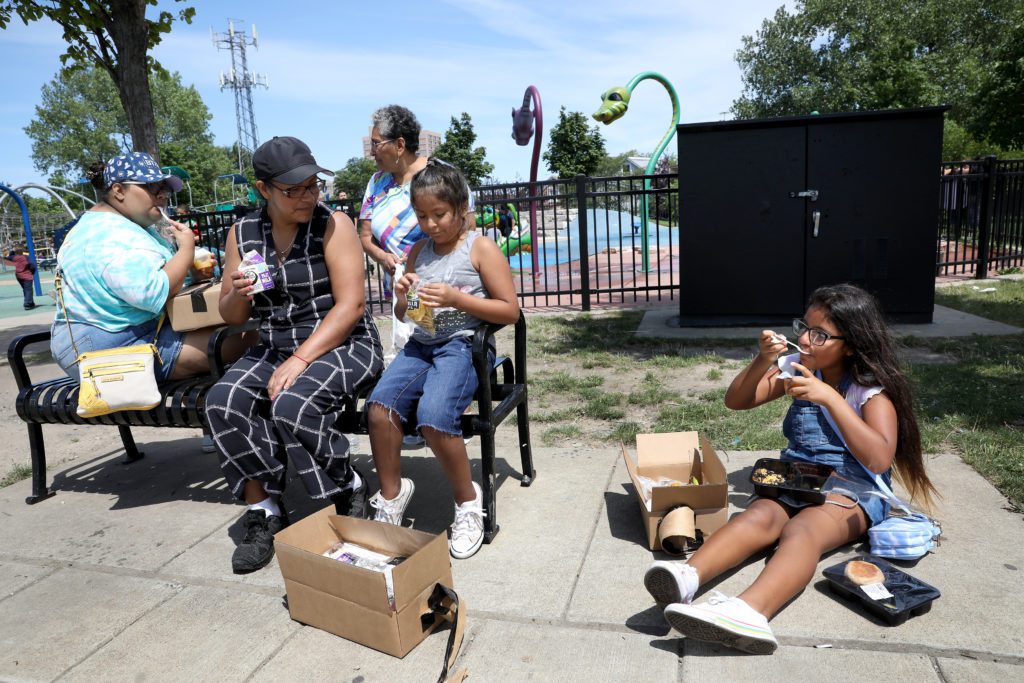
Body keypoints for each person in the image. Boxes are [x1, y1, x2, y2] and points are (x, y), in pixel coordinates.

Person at [644, 283, 938, 654]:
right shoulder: (798, 370)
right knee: (757, 517)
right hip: (797, 480)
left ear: (850, 344)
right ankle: (687, 576)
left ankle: (750, 612)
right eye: (805, 327)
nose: (805, 339)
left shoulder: (870, 392)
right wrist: (762, 359)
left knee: (802, 532)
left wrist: (830, 398)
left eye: (820, 334)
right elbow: (737, 400)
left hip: (854, 491)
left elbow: (879, 460)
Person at [204, 136, 384, 574]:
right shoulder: (242, 233)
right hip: (273, 345)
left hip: (343, 341)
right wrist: (236, 291)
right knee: (222, 402)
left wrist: (300, 359)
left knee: (293, 403)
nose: (308, 196)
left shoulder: (332, 224)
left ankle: (348, 486)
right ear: (263, 189)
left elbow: (351, 306)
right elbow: (231, 313)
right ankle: (264, 508)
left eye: (312, 185)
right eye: (294, 190)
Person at [365, 160, 519, 559]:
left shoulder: (479, 247)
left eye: (440, 214)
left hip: (464, 346)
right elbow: (405, 313)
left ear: (461, 207)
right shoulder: (418, 251)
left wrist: (458, 299)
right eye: (422, 216)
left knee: (434, 416)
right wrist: (404, 293)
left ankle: (469, 502)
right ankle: (392, 496)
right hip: (422, 344)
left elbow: (509, 311)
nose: (431, 224)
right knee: (379, 410)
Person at [50, 152, 235, 382]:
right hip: (105, 350)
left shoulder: (103, 224)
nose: (162, 196)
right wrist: (186, 249)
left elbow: (137, 283)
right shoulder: (112, 235)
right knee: (244, 336)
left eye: (164, 190)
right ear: (118, 191)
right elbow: (153, 293)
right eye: (151, 188)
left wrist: (189, 273)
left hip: (97, 341)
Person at [358, 105, 474, 295]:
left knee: (434, 324)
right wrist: (382, 257)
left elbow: (468, 229)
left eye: (376, 143)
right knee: (410, 320)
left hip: (444, 288)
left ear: (400, 145)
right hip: (402, 290)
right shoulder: (376, 183)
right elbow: (365, 236)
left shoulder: (442, 175)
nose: (372, 152)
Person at [5, 245, 37, 310]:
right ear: (22, 251)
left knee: (26, 289)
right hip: (27, 275)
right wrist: (32, 272)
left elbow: (7, 258)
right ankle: (27, 303)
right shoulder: (26, 257)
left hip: (19, 276)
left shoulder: (13, 257)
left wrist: (12, 252)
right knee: (28, 289)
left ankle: (31, 302)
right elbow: (32, 266)